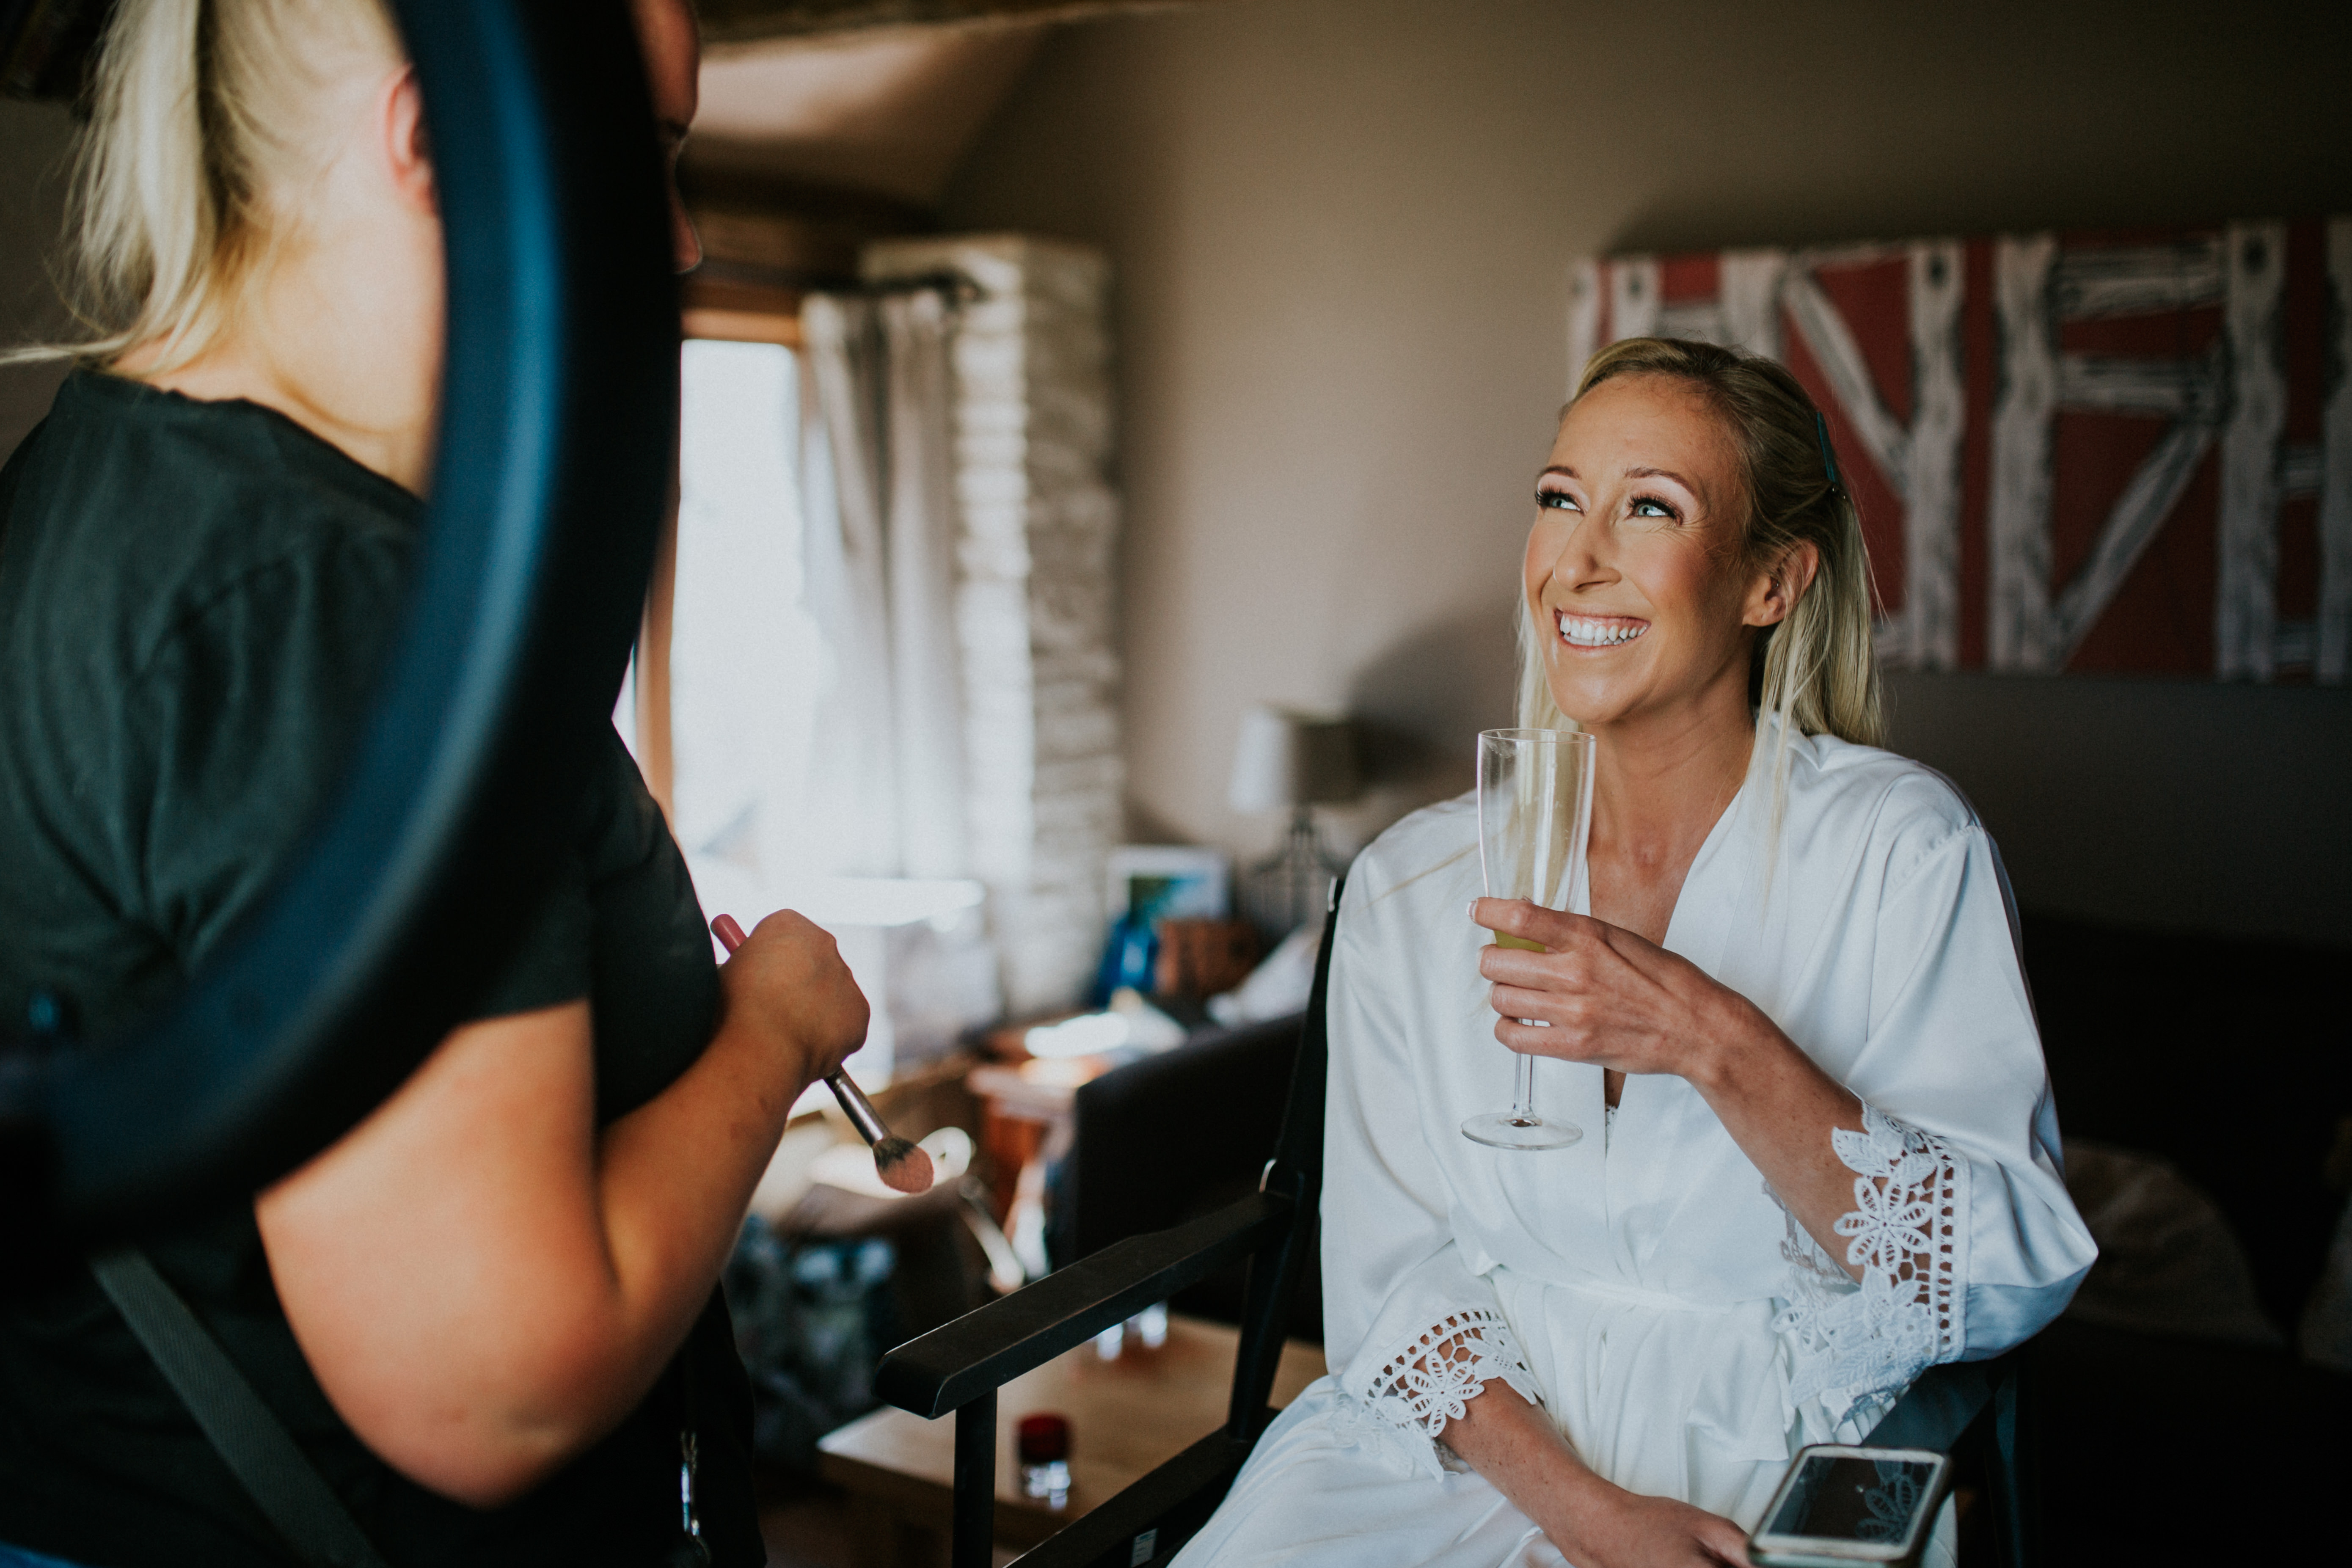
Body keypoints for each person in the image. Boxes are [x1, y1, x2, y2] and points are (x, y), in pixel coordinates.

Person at [0, 2, 868, 1564]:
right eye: (648, 161)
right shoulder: (321, 601)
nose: (674, 243)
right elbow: (492, 1380)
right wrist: (776, 1027)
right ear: (440, 144)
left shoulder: (86, 490)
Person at [1170, 338, 2096, 1568]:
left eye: (1649, 507)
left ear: (1772, 582)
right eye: (1560, 500)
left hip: (1765, 1462)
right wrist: (1589, 1514)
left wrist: (1712, 1038)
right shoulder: (1415, 881)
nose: (1577, 561)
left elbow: (2001, 1275)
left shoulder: (1903, 852)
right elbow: (1394, 1277)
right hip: (1467, 1451)